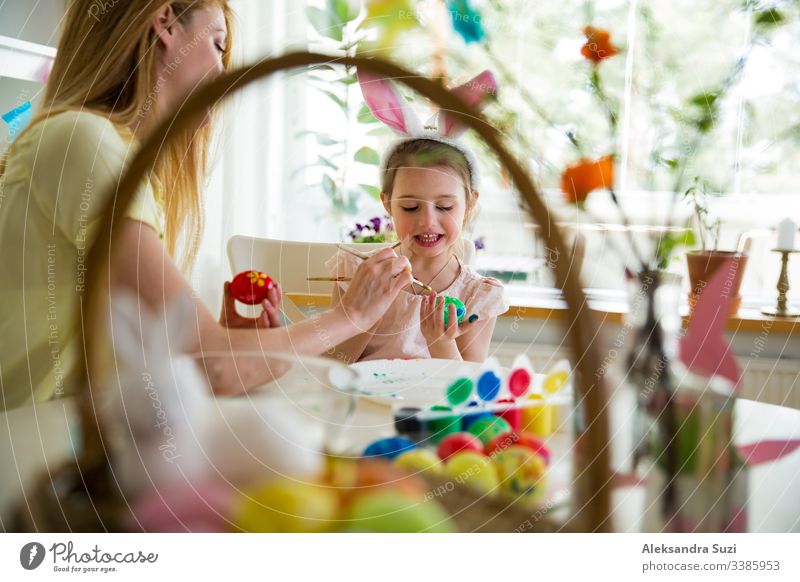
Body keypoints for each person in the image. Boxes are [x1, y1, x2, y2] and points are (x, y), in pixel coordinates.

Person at [0, 0, 411, 411]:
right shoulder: (85, 142)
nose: (223, 75)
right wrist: (351, 316)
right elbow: (218, 370)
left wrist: (225, 344)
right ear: (165, 23)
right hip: (36, 447)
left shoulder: (126, 166)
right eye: (218, 44)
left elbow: (190, 368)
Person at [327, 136, 508, 363]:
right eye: (410, 207)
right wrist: (366, 315)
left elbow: (467, 389)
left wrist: (441, 343)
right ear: (388, 204)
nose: (427, 221)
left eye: (444, 206)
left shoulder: (477, 296)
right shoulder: (358, 272)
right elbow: (332, 367)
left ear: (469, 204)